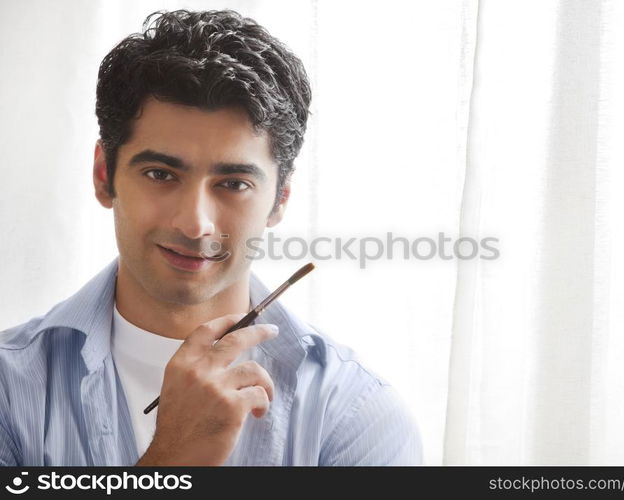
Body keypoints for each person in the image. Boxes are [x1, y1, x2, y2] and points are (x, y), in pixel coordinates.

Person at [0, 9, 422, 466]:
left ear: (279, 199)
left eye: (234, 183)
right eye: (160, 174)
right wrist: (176, 456)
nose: (194, 224)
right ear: (104, 176)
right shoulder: (9, 388)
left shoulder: (355, 415)